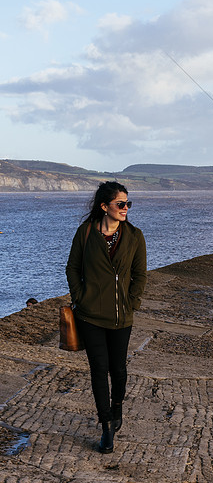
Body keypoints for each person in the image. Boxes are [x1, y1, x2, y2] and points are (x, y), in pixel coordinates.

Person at [66, 181, 147, 454]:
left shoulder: (135, 236)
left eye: (127, 204)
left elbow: (140, 275)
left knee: (119, 371)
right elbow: (72, 268)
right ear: (104, 206)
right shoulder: (86, 233)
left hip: (122, 316)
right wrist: (80, 299)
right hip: (90, 316)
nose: (125, 208)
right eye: (120, 204)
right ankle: (106, 427)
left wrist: (132, 302)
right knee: (99, 371)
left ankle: (117, 407)